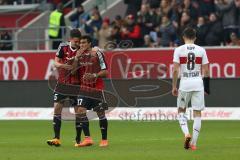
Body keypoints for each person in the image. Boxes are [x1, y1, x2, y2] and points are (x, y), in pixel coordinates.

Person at [172, 27, 210, 150]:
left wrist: (174, 86)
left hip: (184, 85)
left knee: (181, 111)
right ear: (195, 38)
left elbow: (176, 70)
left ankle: (186, 134)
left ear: (183, 37)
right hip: (198, 84)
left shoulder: (178, 50)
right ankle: (193, 143)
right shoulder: (201, 50)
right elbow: (206, 71)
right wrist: (207, 88)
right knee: (197, 113)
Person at [46, 29, 83, 147]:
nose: (78, 43)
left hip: (75, 85)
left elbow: (73, 72)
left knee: (78, 112)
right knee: (57, 109)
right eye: (76, 41)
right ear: (70, 39)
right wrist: (63, 65)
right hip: (62, 83)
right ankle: (56, 138)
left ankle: (78, 140)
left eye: (79, 41)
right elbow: (55, 62)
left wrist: (75, 60)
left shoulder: (81, 51)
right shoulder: (62, 47)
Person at [73, 35, 108, 147]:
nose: (81, 45)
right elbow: (73, 72)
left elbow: (105, 72)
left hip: (97, 88)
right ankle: (87, 138)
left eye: (84, 43)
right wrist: (76, 59)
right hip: (84, 88)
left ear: (89, 43)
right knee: (80, 111)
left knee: (100, 113)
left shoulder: (97, 53)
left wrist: (94, 75)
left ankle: (104, 140)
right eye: (80, 43)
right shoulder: (79, 55)